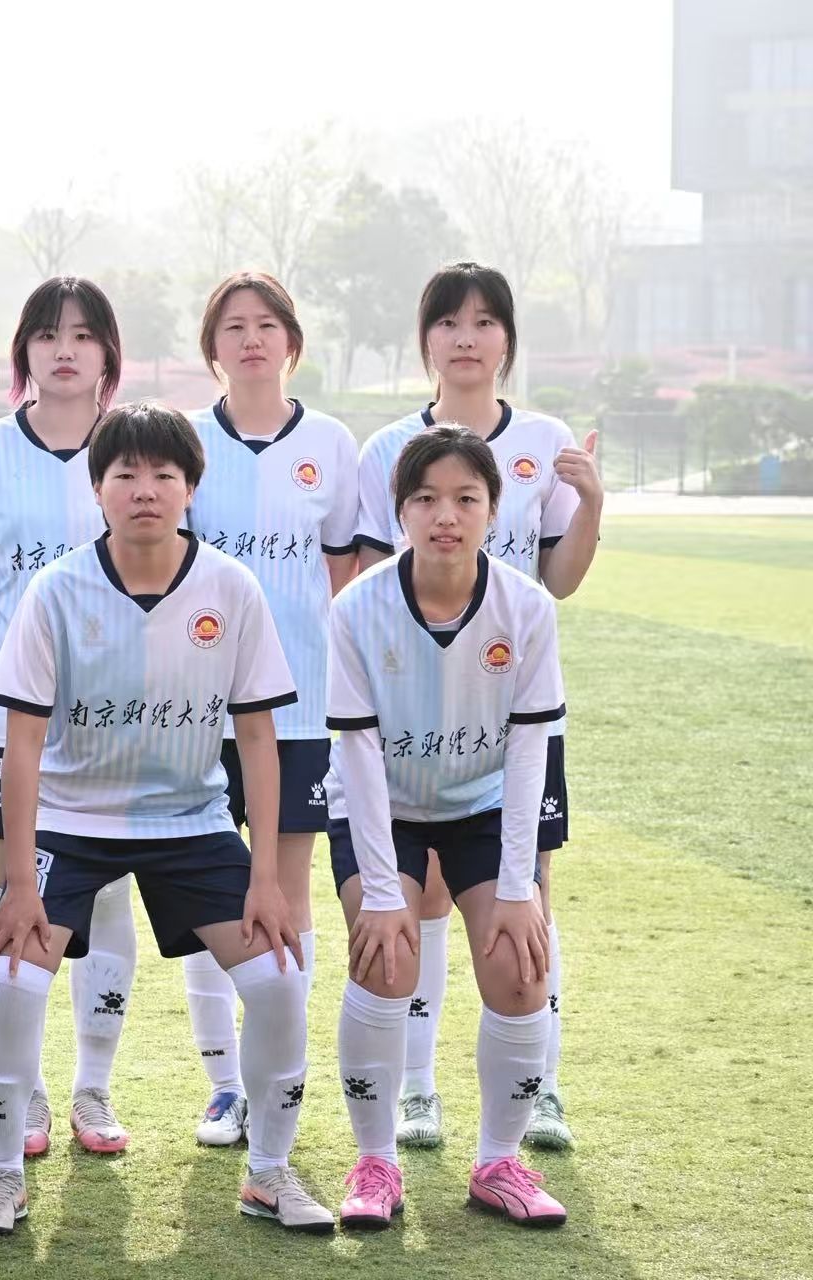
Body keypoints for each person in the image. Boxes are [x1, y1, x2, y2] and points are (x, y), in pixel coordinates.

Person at [0, 402, 331, 1235]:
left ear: (190, 487)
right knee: (12, 981)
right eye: (125, 473)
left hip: (191, 822)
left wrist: (266, 879)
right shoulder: (56, 590)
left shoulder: (230, 587)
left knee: (279, 978)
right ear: (97, 488)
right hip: (70, 818)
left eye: (164, 474)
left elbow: (258, 738)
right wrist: (18, 884)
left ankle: (269, 1172)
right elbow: (21, 746)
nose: (144, 489)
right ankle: (0, 1178)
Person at [351, 262, 601, 1151]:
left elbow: (559, 577)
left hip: (516, 714)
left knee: (527, 893)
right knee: (416, 895)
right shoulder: (386, 448)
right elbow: (369, 586)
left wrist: (592, 501)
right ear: (425, 340)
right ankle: (418, 1090)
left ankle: (544, 1087)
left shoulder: (544, 440)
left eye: (485, 321)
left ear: (507, 340)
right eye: (449, 321)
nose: (467, 336)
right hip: (414, 716)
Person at [328, 424, 569, 1229]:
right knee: (385, 958)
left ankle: (499, 1163)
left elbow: (530, 751)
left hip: (483, 804)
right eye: (426, 498)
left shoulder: (526, 607)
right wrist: (382, 894)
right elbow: (358, 756)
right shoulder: (357, 608)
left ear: (494, 510)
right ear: (400, 511)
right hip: (384, 805)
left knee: (520, 968)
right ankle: (376, 1163)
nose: (446, 515)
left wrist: (518, 886)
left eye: (467, 498)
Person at [0, 276, 134, 1157]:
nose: (64, 350)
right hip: (10, 719)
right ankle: (30, 1090)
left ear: (108, 353)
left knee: (108, 902)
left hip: (117, 717)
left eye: (82, 335)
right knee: (17, 891)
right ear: (24, 352)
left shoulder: (132, 448)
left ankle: (94, 1088)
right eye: (47, 335)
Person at [180, 271, 359, 1147]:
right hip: (196, 711)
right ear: (212, 347)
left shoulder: (330, 442)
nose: (251, 340)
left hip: (298, 712)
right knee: (208, 891)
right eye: (233, 326)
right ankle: (225, 1087)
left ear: (292, 340)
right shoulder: (186, 441)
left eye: (266, 325)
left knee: (288, 894)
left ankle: (277, 1078)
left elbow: (342, 573)